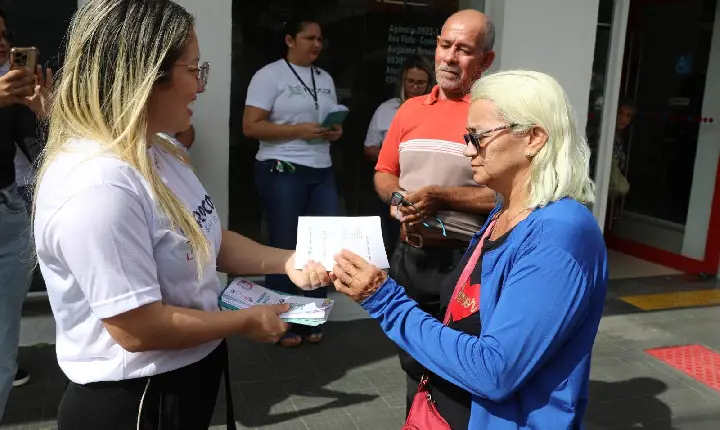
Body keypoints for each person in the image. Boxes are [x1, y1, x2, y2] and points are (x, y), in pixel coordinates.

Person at [31, 1, 329, 428]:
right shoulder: (99, 187)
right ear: (148, 77)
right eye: (194, 70)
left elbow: (206, 236)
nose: (201, 86)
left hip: (185, 380)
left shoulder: (160, 149)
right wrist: (244, 321)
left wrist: (287, 261)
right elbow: (137, 329)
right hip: (135, 401)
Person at [331, 70, 608, 429]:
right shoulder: (506, 209)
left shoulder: (558, 235)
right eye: (467, 136)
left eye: (478, 137)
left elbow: (494, 371)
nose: (467, 150)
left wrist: (384, 300)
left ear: (534, 138)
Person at [372, 9, 497, 414]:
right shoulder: (409, 110)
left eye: (464, 50)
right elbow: (384, 172)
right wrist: (396, 199)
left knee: (453, 366)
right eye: (445, 45)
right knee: (412, 359)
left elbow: (506, 197)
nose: (449, 57)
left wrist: (445, 197)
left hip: (464, 262)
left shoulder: (492, 116)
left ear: (486, 60)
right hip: (408, 255)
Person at [243, 16, 341, 347]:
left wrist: (334, 130)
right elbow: (251, 126)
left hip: (320, 167)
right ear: (289, 40)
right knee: (285, 246)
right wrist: (298, 131)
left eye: (320, 39)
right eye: (309, 38)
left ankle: (309, 317)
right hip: (281, 167)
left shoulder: (324, 77)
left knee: (321, 246)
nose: (317, 44)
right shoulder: (269, 75)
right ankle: (282, 322)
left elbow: (324, 117)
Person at [0, 6, 51, 419]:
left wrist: (43, 113)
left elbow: (37, 148)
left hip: (8, 213)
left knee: (2, 345)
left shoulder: (12, 91)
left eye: (3, 33)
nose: (2, 41)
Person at [364, 55, 434, 255]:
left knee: (418, 240)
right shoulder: (387, 109)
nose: (415, 87)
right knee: (392, 236)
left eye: (421, 82)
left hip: (424, 185)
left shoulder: (435, 110)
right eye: (410, 81)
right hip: (393, 183)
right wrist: (394, 157)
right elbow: (369, 149)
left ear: (429, 84)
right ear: (402, 82)